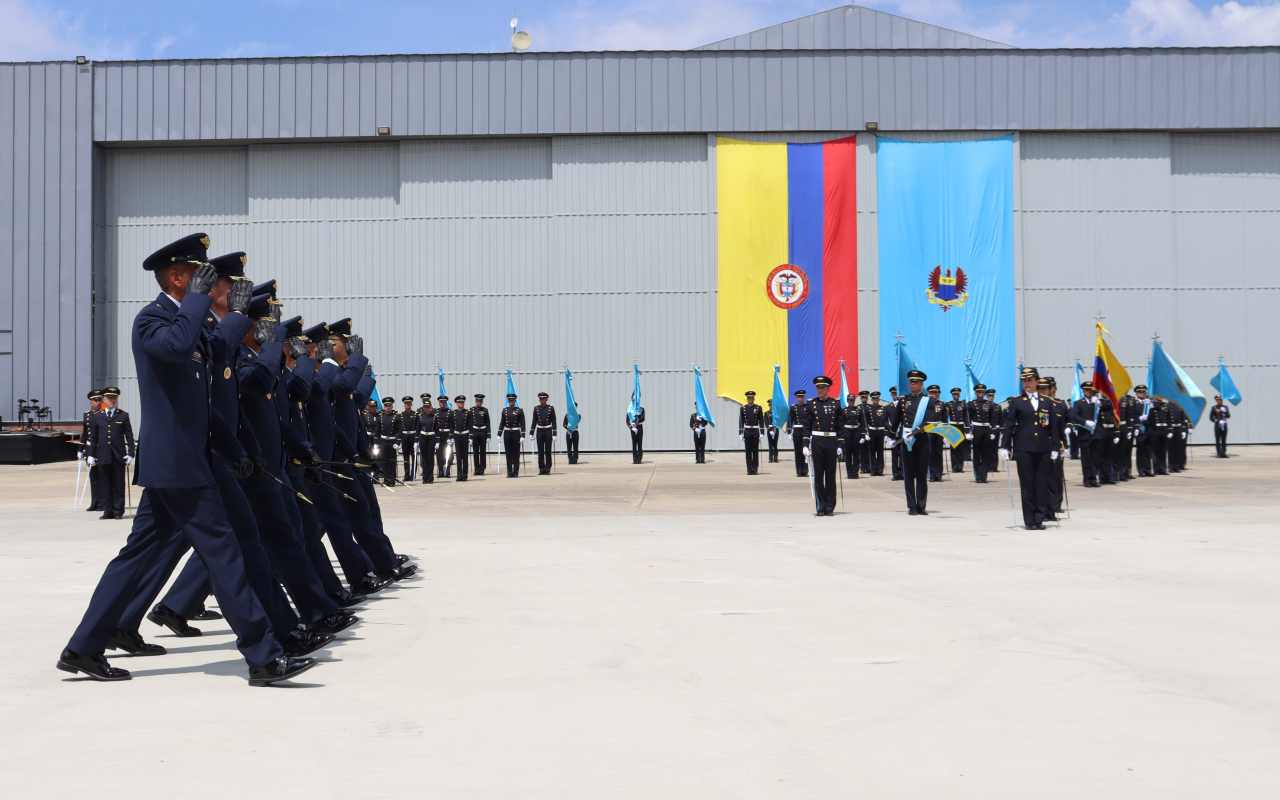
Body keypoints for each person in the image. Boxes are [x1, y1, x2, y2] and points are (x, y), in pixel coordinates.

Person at [58, 232, 311, 686]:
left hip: (188, 462)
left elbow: (217, 360)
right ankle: (264, 656)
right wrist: (200, 300)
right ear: (176, 277)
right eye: (199, 274)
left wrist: (237, 313)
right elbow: (175, 348)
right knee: (226, 554)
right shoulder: (151, 321)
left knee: (136, 557)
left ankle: (82, 648)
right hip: (179, 465)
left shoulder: (194, 326)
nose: (207, 281)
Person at [1000, 367, 1061, 530]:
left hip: (1042, 448)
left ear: (1037, 382)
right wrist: (1004, 445)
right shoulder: (1017, 402)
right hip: (1024, 448)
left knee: (1041, 483)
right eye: (1024, 380)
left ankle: (1039, 519)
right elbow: (1010, 424)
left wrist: (1055, 446)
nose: (1026, 383)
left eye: (1030, 380)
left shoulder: (1046, 402)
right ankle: (1029, 520)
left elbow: (1050, 426)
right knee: (1027, 484)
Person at [85, 386, 134, 520]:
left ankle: (118, 510)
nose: (112, 400)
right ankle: (108, 510)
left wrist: (131, 453)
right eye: (109, 398)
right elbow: (94, 437)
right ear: (104, 399)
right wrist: (90, 454)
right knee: (105, 483)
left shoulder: (123, 415)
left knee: (118, 483)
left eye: (114, 398)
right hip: (103, 454)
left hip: (118, 455)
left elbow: (129, 436)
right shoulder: (98, 417)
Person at [896, 372, 941, 514]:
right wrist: (891, 435)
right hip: (906, 439)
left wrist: (914, 432)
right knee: (908, 473)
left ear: (922, 385)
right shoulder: (903, 400)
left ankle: (921, 505)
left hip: (921, 439)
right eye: (911, 382)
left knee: (921, 473)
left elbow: (930, 420)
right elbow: (897, 419)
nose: (912, 385)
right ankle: (911, 505)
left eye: (916, 382)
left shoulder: (928, 401)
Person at [802, 376, 846, 516]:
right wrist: (805, 443)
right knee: (819, 475)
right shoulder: (811, 404)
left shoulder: (836, 404)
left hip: (831, 441)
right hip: (818, 441)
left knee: (831, 476)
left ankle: (829, 507)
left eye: (822, 387)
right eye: (817, 387)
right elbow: (806, 427)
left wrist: (840, 444)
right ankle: (820, 506)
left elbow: (840, 426)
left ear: (828, 388)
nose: (819, 390)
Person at [1041, 377, 1070, 519]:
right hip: (1043, 444)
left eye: (1046, 388)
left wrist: (1065, 443)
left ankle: (1055, 505)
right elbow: (1044, 425)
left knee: (1056, 477)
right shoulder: (1040, 406)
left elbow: (1063, 424)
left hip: (1056, 445)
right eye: (1040, 388)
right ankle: (1044, 507)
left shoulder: (1059, 404)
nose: (1044, 391)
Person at [967, 383, 998, 483]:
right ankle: (978, 476)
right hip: (977, 428)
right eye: (979, 392)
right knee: (977, 453)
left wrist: (993, 430)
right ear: (976, 393)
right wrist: (968, 431)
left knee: (986, 454)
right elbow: (967, 418)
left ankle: (984, 476)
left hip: (986, 429)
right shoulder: (971, 403)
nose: (981, 393)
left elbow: (992, 418)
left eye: (983, 392)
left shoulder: (989, 404)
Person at [81, 389, 104, 512]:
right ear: (91, 403)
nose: (98, 402)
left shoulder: (105, 414)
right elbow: (85, 433)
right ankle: (94, 502)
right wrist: (81, 449)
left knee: (101, 477)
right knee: (93, 477)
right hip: (90, 449)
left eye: (99, 400)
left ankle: (102, 503)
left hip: (101, 448)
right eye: (95, 400)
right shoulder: (87, 415)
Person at [374, 396, 401, 485]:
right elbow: (377, 431)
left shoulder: (396, 416)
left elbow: (399, 430)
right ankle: (385, 480)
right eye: (386, 406)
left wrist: (398, 443)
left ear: (392, 406)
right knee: (383, 461)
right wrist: (376, 443)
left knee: (392, 461)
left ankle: (392, 480)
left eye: (389, 406)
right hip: (383, 441)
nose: (387, 407)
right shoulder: (380, 417)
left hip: (392, 442)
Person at [498, 393, 526, 477]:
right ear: (508, 401)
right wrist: (499, 434)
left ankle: (515, 472)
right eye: (510, 400)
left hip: (516, 432)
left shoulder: (519, 410)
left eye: (512, 400)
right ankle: (509, 472)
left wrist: (523, 435)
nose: (511, 401)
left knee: (516, 453)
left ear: (515, 401)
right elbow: (502, 423)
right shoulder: (505, 410)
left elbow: (523, 423)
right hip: (507, 433)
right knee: (508, 453)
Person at [530, 392, 557, 475]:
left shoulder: (550, 408)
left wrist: (554, 433)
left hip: (548, 430)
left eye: (544, 399)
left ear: (546, 399)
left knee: (548, 450)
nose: (542, 400)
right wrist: (531, 432)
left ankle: (548, 468)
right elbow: (534, 421)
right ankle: (541, 469)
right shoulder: (536, 408)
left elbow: (554, 421)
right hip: (540, 430)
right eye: (541, 399)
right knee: (540, 450)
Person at [865, 391, 891, 476]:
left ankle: (880, 470)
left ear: (879, 399)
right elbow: (865, 421)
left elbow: (886, 421)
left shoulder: (883, 408)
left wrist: (886, 433)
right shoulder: (868, 409)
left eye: (877, 399)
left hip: (880, 431)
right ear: (872, 400)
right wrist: (866, 432)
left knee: (880, 452)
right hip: (872, 431)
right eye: (874, 399)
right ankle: (873, 470)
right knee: (872, 451)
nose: (876, 400)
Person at [945, 387, 969, 474]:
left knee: (961, 447)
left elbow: (966, 418)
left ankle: (960, 467)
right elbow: (945, 417)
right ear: (952, 395)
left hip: (961, 426)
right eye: (955, 394)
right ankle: (954, 467)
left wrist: (967, 430)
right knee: (954, 447)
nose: (956, 396)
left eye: (958, 394)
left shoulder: (963, 404)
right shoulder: (948, 404)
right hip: (953, 426)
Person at [1133, 385, 1156, 476]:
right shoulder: (1134, 403)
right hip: (1140, 430)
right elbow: (1132, 416)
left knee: (1148, 451)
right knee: (1141, 451)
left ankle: (1148, 469)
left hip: (1149, 430)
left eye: (1143, 392)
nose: (1142, 394)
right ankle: (1141, 470)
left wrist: (1151, 406)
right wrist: (1139, 419)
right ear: (1136, 393)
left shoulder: (1149, 403)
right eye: (1140, 392)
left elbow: (1154, 417)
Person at [738, 391, 763, 474]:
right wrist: (740, 432)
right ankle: (749, 469)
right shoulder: (743, 408)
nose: (750, 399)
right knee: (748, 451)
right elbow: (741, 421)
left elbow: (761, 420)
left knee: (755, 450)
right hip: (747, 430)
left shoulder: (758, 408)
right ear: (747, 399)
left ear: (754, 398)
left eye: (751, 398)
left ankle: (755, 469)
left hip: (755, 430)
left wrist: (762, 432)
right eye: (749, 398)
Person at [787, 389, 809, 477]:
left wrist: (810, 433)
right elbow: (790, 419)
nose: (801, 398)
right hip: (797, 430)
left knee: (805, 450)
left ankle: (805, 470)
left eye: (802, 397)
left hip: (805, 430)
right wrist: (789, 431)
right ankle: (799, 471)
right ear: (796, 398)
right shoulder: (793, 407)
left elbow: (810, 420)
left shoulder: (807, 407)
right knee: (798, 451)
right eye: (799, 397)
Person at [925, 385, 946, 482]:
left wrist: (945, 433)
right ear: (929, 393)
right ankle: (932, 475)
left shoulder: (942, 404)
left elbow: (945, 419)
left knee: (938, 452)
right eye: (932, 392)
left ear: (938, 393)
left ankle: (939, 474)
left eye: (935, 392)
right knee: (930, 452)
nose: (933, 394)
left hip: (939, 428)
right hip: (929, 428)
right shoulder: (925, 403)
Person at [451, 395, 472, 481]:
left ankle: (465, 474)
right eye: (460, 402)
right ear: (456, 403)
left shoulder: (468, 413)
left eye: (462, 402)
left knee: (465, 456)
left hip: (465, 435)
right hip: (457, 435)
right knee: (458, 456)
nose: (461, 404)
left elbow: (470, 425)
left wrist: (471, 437)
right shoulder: (454, 413)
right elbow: (451, 426)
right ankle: (459, 475)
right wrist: (451, 436)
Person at [399, 396, 420, 482]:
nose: (407, 404)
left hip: (413, 436)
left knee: (414, 457)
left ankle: (413, 474)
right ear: (404, 405)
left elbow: (418, 428)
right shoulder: (401, 415)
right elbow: (399, 428)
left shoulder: (415, 415)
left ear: (411, 404)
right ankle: (406, 474)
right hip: (404, 437)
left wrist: (416, 440)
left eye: (408, 403)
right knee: (405, 457)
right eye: (405, 403)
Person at [470, 394, 491, 476]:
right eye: (477, 401)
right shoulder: (471, 410)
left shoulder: (485, 410)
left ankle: (482, 469)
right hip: (475, 431)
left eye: (480, 401)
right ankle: (476, 469)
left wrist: (488, 435)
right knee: (475, 451)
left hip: (483, 431)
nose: (479, 402)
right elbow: (470, 423)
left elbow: (488, 423)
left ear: (482, 402)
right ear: (475, 401)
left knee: (482, 451)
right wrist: (470, 436)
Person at [841, 394, 861, 479]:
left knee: (856, 453)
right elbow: (841, 423)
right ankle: (849, 472)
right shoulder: (844, 410)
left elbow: (862, 422)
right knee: (848, 453)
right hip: (847, 431)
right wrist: (842, 435)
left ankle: (855, 472)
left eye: (853, 400)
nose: (852, 402)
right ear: (848, 401)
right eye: (850, 400)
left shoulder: (858, 410)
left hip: (856, 431)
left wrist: (863, 434)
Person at [417, 393, 436, 483]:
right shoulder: (420, 417)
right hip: (423, 437)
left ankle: (430, 477)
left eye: (428, 407)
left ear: (430, 408)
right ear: (423, 408)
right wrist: (416, 441)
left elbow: (437, 430)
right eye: (425, 407)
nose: (427, 409)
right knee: (424, 459)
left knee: (430, 458)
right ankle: (425, 477)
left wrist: (438, 441)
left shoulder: (434, 417)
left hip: (431, 437)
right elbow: (417, 429)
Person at [434, 395, 453, 478]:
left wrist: (451, 436)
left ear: (446, 403)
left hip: (447, 434)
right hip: (438, 434)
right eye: (441, 402)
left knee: (448, 453)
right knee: (439, 454)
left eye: (444, 402)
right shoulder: (435, 412)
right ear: (439, 403)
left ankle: (447, 471)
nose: (442, 403)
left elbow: (452, 425)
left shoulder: (450, 412)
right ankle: (440, 471)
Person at [1168, 401, 1190, 472]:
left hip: (1179, 428)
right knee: (1171, 449)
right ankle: (1171, 466)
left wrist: (1183, 430)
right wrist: (1169, 429)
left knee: (1178, 448)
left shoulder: (1179, 405)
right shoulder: (1167, 406)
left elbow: (1183, 418)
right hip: (1172, 428)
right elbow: (1168, 419)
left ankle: (1177, 466)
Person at [985, 388, 1003, 473]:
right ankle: (988, 466)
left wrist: (1002, 431)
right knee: (987, 448)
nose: (990, 397)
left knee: (995, 448)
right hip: (988, 429)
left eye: (992, 396)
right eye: (989, 396)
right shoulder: (985, 406)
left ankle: (994, 466)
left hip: (996, 428)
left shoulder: (997, 406)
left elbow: (1001, 419)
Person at [888, 387, 903, 480]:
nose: (896, 395)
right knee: (894, 455)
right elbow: (884, 420)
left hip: (902, 432)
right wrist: (891, 429)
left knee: (902, 453)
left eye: (897, 394)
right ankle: (895, 474)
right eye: (894, 394)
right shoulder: (888, 407)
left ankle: (902, 472)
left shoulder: (903, 405)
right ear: (892, 395)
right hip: (893, 433)